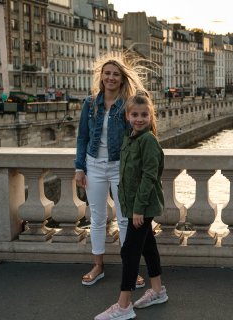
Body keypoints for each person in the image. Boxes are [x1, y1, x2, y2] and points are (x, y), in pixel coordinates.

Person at [95, 92, 168, 320]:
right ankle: (157, 291)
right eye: (135, 114)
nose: (139, 118)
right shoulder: (130, 137)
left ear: (151, 116)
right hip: (134, 206)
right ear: (127, 116)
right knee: (147, 246)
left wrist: (138, 209)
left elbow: (149, 177)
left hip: (142, 207)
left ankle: (124, 305)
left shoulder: (148, 141)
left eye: (144, 114)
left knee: (129, 252)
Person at [75, 54, 145, 288]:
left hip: (119, 167)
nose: (111, 77)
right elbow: (83, 137)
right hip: (93, 165)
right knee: (97, 218)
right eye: (107, 73)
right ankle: (98, 265)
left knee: (125, 220)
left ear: (122, 78)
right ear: (101, 76)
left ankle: (130, 269)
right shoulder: (90, 103)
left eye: (115, 74)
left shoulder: (128, 104)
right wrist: (79, 167)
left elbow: (137, 134)